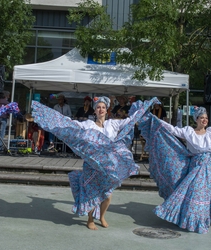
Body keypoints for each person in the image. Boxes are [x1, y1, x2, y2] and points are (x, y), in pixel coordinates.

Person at [31, 96, 156, 230]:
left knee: (107, 196)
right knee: (91, 194)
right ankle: (90, 219)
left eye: (103, 107)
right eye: (98, 107)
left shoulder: (112, 124)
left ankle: (102, 216)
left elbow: (130, 120)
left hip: (107, 166)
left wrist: (144, 108)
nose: (101, 109)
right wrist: (52, 116)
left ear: (106, 109)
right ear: (94, 111)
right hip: (92, 164)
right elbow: (71, 123)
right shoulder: (88, 124)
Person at [138, 106, 211, 233]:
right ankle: (190, 219)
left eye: (206, 118)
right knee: (194, 192)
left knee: (203, 194)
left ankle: (200, 220)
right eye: (202, 118)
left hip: (208, 167)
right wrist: (157, 120)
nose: (204, 120)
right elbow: (172, 130)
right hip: (195, 166)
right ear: (196, 119)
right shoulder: (188, 131)